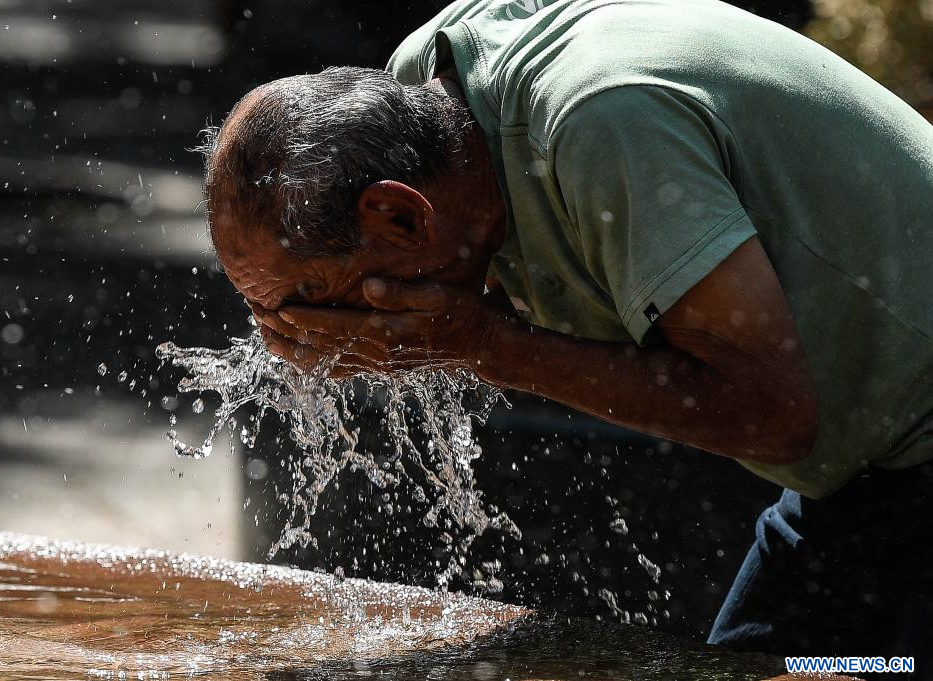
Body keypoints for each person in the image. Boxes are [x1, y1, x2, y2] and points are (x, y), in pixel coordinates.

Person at [200, 0, 933, 666]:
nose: (295, 335)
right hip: (863, 473)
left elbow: (773, 414)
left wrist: (484, 344)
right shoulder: (433, 98)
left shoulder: (603, 129)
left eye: (307, 299)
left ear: (399, 216)